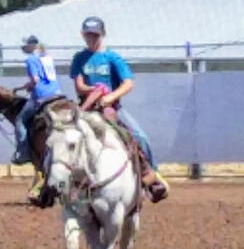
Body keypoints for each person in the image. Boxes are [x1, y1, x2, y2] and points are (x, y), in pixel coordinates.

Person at [69, 17, 170, 202]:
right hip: (87, 107)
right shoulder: (79, 58)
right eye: (88, 35)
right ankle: (54, 181)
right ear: (83, 35)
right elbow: (79, 85)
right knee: (63, 136)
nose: (91, 38)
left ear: (102, 34)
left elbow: (128, 83)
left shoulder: (112, 58)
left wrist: (109, 97)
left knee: (140, 136)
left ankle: (152, 176)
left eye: (95, 35)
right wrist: (94, 90)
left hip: (111, 107)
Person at [12, 34, 64, 165]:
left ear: (31, 46)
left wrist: (22, 87)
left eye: (25, 46)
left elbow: (35, 80)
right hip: (57, 93)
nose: (23, 48)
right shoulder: (47, 57)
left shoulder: (31, 59)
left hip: (42, 96)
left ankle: (23, 152)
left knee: (20, 120)